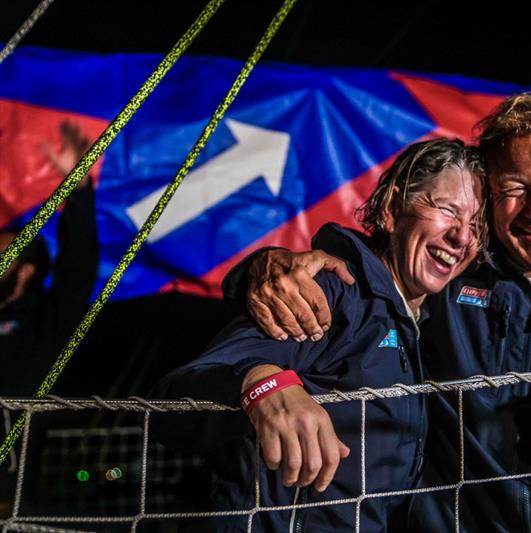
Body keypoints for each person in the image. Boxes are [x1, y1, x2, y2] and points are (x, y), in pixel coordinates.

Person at [224, 93, 531, 531]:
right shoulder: (440, 287)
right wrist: (265, 269)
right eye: (514, 189)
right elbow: (366, 271)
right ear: (489, 193)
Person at [153, 138, 487, 532]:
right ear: (392, 208)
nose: (462, 237)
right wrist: (259, 382)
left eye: (476, 225)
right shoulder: (332, 293)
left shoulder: (429, 322)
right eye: (447, 210)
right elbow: (173, 402)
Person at [0, 121, 99, 514]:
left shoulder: (45, 322)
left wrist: (77, 190)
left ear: (24, 272)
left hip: (10, 507)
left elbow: (79, 265)